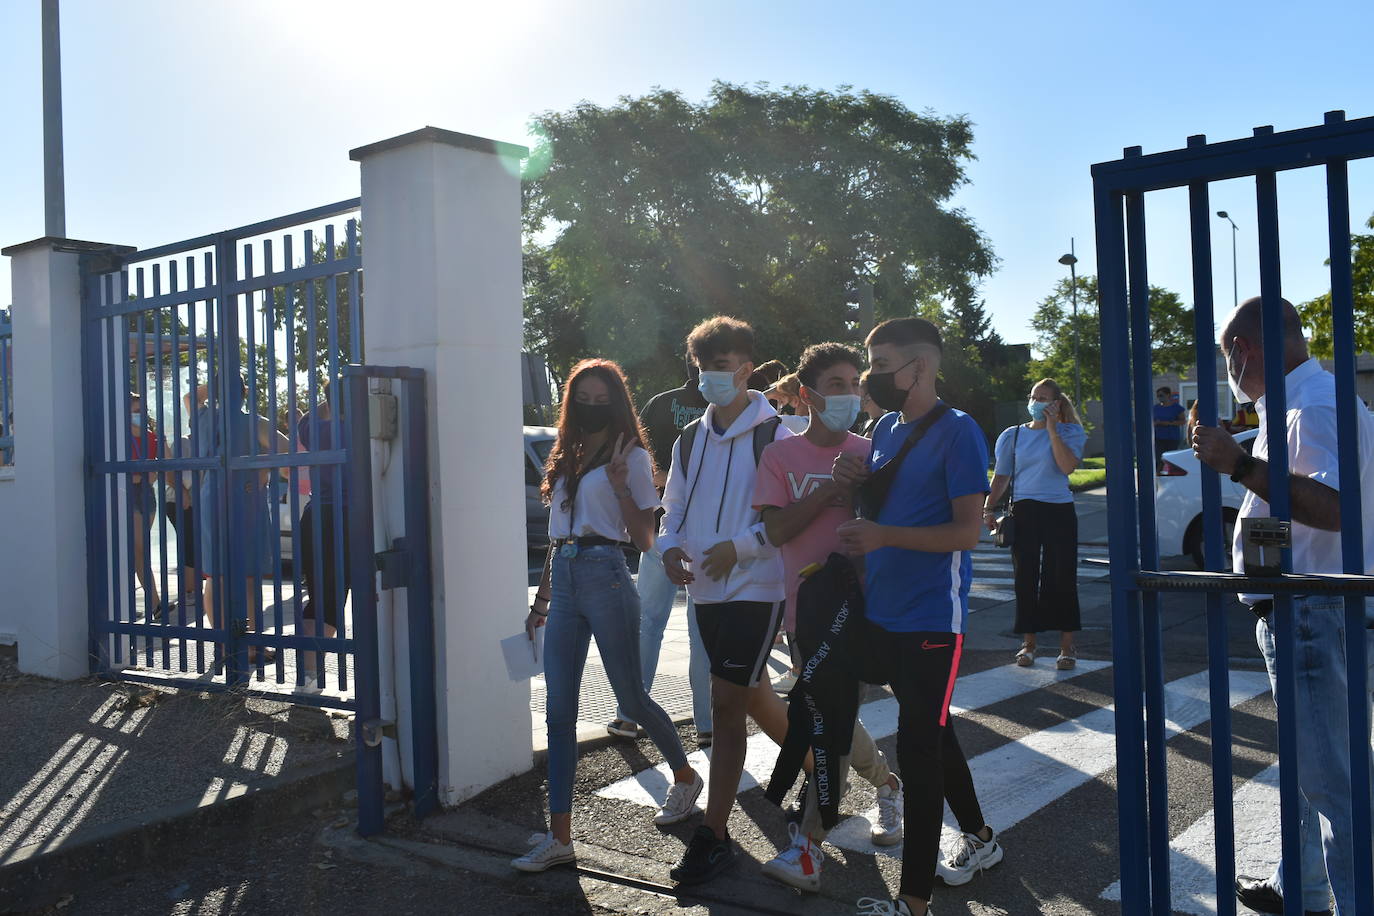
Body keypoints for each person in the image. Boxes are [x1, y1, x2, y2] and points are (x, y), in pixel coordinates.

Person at [1193, 297, 1374, 916]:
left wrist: (1240, 465)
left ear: (1244, 350)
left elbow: (1336, 509)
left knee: (1336, 787)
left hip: (1312, 609)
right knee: (1318, 764)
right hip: (1313, 607)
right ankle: (1300, 885)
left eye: (1226, 358)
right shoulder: (1304, 404)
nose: (1229, 373)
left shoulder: (1314, 408)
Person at [832, 317, 1001, 916]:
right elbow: (883, 507)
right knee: (932, 730)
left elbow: (967, 531)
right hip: (881, 613)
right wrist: (853, 483)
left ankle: (914, 901)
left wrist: (883, 536)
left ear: (920, 368)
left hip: (932, 618)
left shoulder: (960, 432)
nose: (873, 376)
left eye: (882, 364)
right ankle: (981, 837)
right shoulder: (882, 428)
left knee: (918, 750)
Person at [515, 358, 703, 872]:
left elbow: (645, 539)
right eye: (584, 398)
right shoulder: (567, 454)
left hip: (609, 574)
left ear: (617, 403)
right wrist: (542, 602)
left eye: (602, 399)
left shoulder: (633, 456)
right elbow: (559, 538)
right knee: (559, 712)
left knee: (632, 698)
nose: (592, 407)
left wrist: (621, 485)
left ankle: (685, 777)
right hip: (568, 576)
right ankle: (560, 837)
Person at [752, 341, 905, 892]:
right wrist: (831, 491)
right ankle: (887, 784)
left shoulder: (873, 452)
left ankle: (809, 847)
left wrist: (863, 490)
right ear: (808, 393)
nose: (848, 393)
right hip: (806, 611)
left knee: (827, 719)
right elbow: (773, 532)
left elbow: (895, 528)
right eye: (835, 384)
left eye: (853, 383)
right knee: (829, 714)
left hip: (865, 609)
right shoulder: (780, 456)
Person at [660, 316, 789, 885]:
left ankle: (715, 834)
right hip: (704, 591)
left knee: (725, 703)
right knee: (754, 698)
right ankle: (823, 770)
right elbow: (673, 508)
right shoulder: (689, 439)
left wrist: (740, 548)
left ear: (746, 368)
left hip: (758, 587)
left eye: (722, 366)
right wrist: (666, 548)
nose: (711, 376)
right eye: (703, 367)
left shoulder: (779, 435)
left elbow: (787, 522)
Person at [606, 355, 714, 747]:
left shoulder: (659, 403)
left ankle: (628, 717)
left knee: (649, 622)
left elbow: (639, 458)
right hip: (706, 530)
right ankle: (706, 723)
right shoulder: (725, 413)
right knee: (700, 628)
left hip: (659, 525)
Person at [984, 378, 1086, 670]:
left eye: (1043, 398)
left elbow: (1067, 467)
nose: (1036, 402)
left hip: (1059, 509)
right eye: (1033, 396)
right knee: (1025, 576)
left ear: (1056, 403)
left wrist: (1053, 429)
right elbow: (1001, 476)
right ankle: (1028, 644)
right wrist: (988, 507)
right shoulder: (1012, 435)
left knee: (1062, 575)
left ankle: (1067, 646)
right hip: (1025, 510)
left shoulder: (1070, 431)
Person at [194, 376, 289, 666]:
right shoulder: (253, 422)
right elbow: (286, 452)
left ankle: (223, 643)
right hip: (245, 498)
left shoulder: (204, 416)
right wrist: (265, 468)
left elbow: (190, 396)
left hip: (211, 496)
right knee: (248, 575)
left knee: (214, 574)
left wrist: (216, 386)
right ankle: (248, 645)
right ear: (246, 393)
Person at [297, 380, 350, 691]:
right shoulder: (358, 429)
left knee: (321, 599)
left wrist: (331, 398)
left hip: (316, 516)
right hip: (351, 516)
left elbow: (311, 414)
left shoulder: (312, 428)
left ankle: (309, 676)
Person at [128, 394, 166, 620]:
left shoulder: (151, 438)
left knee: (138, 552)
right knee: (138, 551)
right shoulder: (119, 437)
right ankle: (155, 604)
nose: (139, 416)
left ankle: (153, 604)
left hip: (146, 494)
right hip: (128, 495)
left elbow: (160, 466)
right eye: (134, 412)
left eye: (142, 411)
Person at [1153, 386, 1186, 470]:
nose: (1159, 398)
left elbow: (1182, 421)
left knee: (1171, 458)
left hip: (1172, 438)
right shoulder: (1155, 408)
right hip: (1158, 437)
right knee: (1158, 458)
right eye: (1158, 396)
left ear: (1168, 395)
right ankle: (1158, 476)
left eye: (1161, 395)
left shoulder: (1176, 408)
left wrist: (1167, 423)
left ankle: (1171, 475)